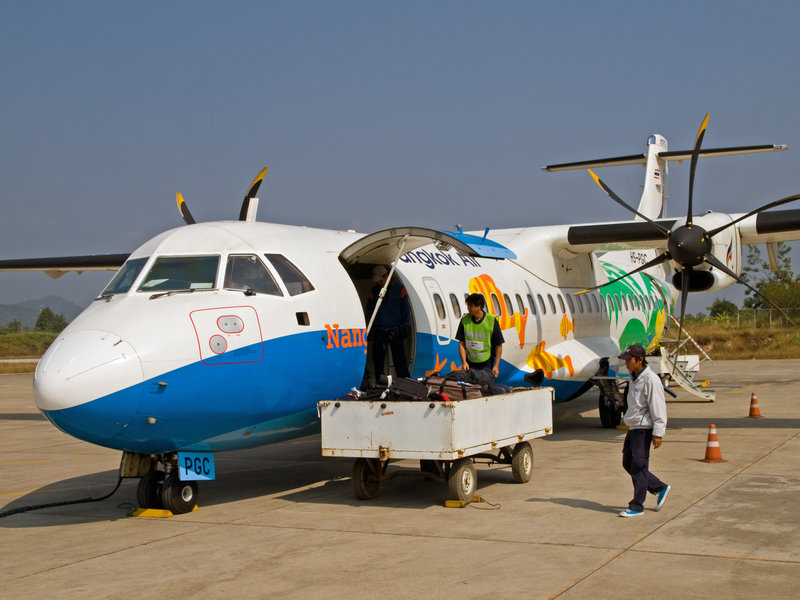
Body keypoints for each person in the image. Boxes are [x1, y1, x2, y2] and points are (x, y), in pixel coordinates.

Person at [618, 344, 671, 517]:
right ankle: (659, 487)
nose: (626, 364)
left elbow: (658, 407)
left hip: (644, 429)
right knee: (628, 463)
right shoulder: (634, 377)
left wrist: (658, 433)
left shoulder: (651, 380)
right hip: (634, 427)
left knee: (639, 466)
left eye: (629, 360)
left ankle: (637, 506)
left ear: (639, 360)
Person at [365, 265, 411, 380]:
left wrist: (405, 326)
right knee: (378, 359)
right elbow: (369, 311)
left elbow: (405, 309)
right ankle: (379, 384)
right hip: (379, 331)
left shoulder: (400, 290)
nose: (379, 283)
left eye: (381, 280)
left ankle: (405, 382)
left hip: (395, 330)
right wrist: (369, 329)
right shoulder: (374, 292)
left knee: (399, 359)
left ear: (386, 276)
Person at [456, 293, 504, 378]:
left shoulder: (491, 321)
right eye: (468, 305)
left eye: (471, 306)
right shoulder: (465, 320)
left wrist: (496, 366)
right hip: (470, 363)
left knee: (484, 387)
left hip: (486, 363)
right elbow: (461, 343)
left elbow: (498, 345)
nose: (468, 308)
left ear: (479, 306)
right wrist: (464, 362)